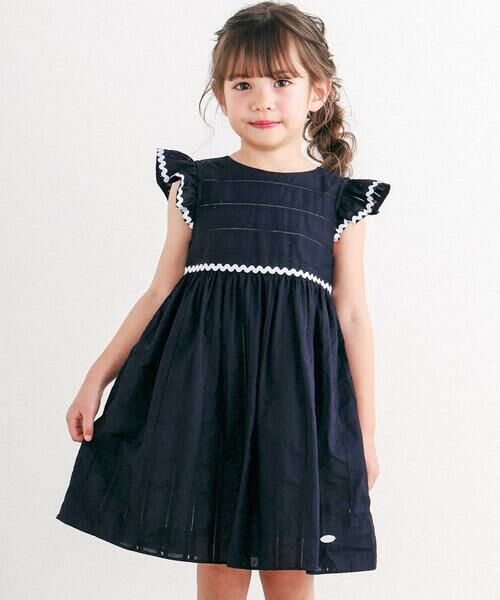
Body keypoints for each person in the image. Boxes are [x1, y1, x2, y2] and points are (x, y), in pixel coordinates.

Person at [55, 2, 391, 599]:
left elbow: (353, 315)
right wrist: (95, 378)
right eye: (243, 85)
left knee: (290, 568)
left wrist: (363, 433)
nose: (262, 100)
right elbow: (159, 291)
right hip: (206, 397)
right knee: (216, 563)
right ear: (221, 94)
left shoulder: (338, 201)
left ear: (317, 92)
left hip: (297, 406)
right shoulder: (197, 185)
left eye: (281, 82)